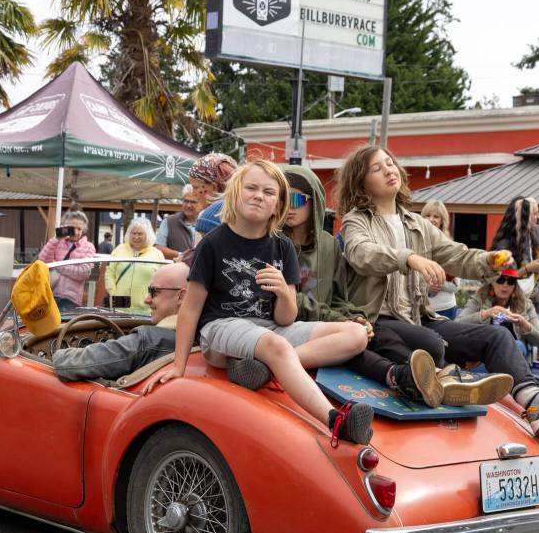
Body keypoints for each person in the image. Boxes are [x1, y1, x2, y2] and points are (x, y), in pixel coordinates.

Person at [338, 145, 539, 436]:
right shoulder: (356, 221)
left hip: (418, 318)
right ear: (361, 182)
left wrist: (488, 260)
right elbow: (362, 254)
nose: (389, 169)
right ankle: (454, 380)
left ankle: (537, 404)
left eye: (390, 163)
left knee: (497, 335)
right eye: (377, 168)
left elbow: (457, 255)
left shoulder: (417, 224)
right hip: (378, 321)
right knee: (431, 342)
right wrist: (409, 258)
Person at [154, 160, 375, 445]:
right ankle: (335, 420)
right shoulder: (213, 243)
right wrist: (178, 366)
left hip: (269, 328)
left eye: (269, 192)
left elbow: (286, 318)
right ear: (235, 192)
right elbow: (192, 306)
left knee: (355, 334)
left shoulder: (282, 246)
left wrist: (284, 292)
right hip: (221, 327)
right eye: (252, 188)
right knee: (276, 345)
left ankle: (266, 368)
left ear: (278, 205)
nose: (259, 195)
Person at [283, 165, 442, 406]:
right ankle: (398, 377)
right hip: (299, 325)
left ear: (313, 201)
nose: (288, 206)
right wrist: (340, 320)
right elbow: (292, 300)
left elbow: (338, 297)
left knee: (380, 334)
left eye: (296, 198)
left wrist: (355, 316)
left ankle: (434, 378)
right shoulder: (275, 243)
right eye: (282, 198)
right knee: (352, 349)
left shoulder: (328, 245)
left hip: (332, 320)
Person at [55, 263, 189, 381]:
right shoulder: (202, 338)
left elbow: (67, 365)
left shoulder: (146, 341)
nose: (146, 300)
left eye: (154, 292)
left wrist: (56, 355)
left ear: (181, 296)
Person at [456, 268, 539, 355]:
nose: (505, 285)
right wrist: (486, 314)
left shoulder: (525, 304)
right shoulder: (478, 300)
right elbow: (457, 324)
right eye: (500, 280)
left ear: (515, 286)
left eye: (511, 281)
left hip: (514, 353)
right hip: (485, 351)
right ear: (492, 283)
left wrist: (524, 324)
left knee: (518, 345)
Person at [491, 196, 539, 300]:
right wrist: (528, 268)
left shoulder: (535, 232)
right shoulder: (504, 244)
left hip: (531, 300)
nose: (538, 217)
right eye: (535, 214)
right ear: (524, 216)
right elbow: (501, 278)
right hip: (510, 301)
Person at [38, 210, 97, 310]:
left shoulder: (88, 247)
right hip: (48, 294)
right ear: (65, 227)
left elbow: (83, 273)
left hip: (70, 300)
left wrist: (56, 265)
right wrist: (55, 240)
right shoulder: (58, 242)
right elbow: (43, 261)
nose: (76, 232)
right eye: (72, 228)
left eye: (79, 228)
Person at [105, 217, 164, 314]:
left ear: (148, 235)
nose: (136, 237)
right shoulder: (119, 249)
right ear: (129, 234)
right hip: (120, 304)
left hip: (145, 307)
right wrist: (113, 293)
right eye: (134, 233)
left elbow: (161, 281)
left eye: (140, 234)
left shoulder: (157, 254)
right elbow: (109, 273)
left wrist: (152, 298)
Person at [421, 200, 459, 319]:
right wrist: (425, 286)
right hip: (421, 308)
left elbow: (456, 286)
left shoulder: (450, 245)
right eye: (427, 215)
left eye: (436, 216)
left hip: (446, 308)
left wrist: (439, 284)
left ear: (442, 220)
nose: (431, 219)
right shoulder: (414, 243)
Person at [188, 152, 239, 238]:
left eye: (196, 187)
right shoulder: (243, 213)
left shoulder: (206, 218)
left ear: (214, 187)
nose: (193, 194)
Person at [155, 184, 199, 259]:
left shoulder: (207, 223)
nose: (188, 205)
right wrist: (181, 255)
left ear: (201, 203)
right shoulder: (169, 222)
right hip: (176, 269)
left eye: (193, 202)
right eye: (186, 201)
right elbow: (158, 248)